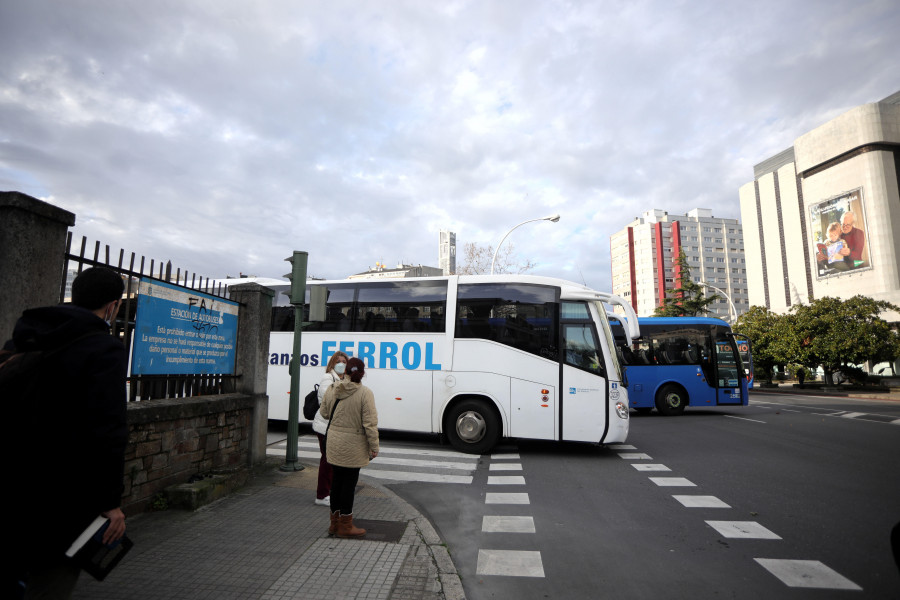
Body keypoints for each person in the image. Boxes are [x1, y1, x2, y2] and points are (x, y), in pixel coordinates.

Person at [1, 267, 128, 598]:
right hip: (63, 492)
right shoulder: (103, 348)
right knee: (52, 578)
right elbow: (107, 431)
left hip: (12, 481)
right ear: (113, 306)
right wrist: (109, 502)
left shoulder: (24, 337)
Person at [319, 357, 379, 538]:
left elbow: (324, 412)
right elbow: (370, 423)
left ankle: (334, 524)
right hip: (353, 446)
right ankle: (346, 526)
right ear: (362, 374)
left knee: (336, 482)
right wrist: (374, 446)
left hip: (335, 443)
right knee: (348, 485)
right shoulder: (365, 393)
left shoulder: (333, 389)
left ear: (345, 371)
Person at [311, 351, 349, 506]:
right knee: (327, 460)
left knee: (334, 460)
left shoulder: (346, 379)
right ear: (333, 364)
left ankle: (330, 491)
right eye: (339, 361)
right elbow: (325, 402)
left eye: (344, 362)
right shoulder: (328, 378)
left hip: (336, 427)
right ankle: (321, 495)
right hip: (324, 426)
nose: (342, 364)